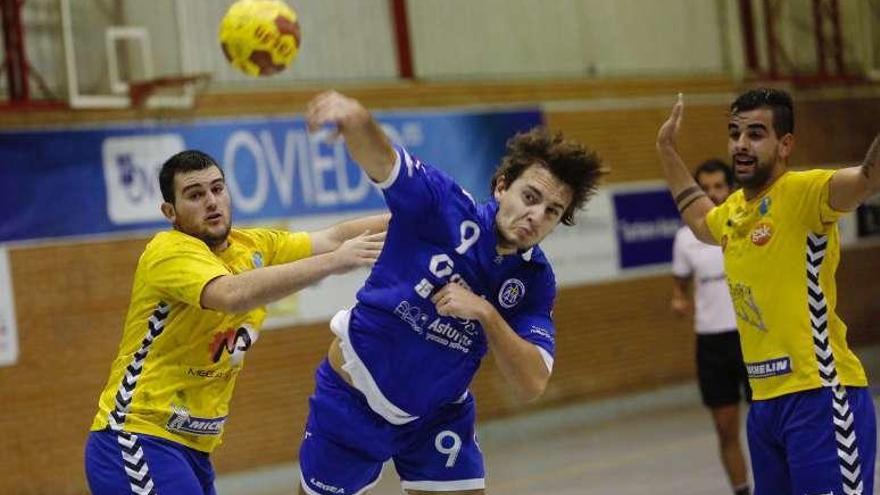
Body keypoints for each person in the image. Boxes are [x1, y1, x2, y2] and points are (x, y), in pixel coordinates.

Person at [297, 90, 604, 495]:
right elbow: (384, 161)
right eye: (530, 197)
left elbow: (532, 383)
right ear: (501, 187)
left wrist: (486, 314)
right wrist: (357, 119)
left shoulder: (535, 280)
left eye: (552, 211)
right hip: (354, 397)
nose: (536, 216)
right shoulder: (442, 206)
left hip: (437, 417)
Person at [84, 149, 389, 495]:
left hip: (193, 448)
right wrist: (335, 263)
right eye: (195, 195)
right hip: (136, 435)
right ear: (170, 212)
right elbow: (232, 294)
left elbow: (335, 237)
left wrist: (422, 212)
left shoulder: (253, 245)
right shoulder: (168, 251)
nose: (211, 202)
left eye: (217, 189)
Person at [656, 88, 879, 495]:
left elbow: (867, 179)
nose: (741, 144)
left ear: (785, 144)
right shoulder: (735, 211)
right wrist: (667, 149)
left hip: (819, 396)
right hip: (765, 405)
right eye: (735, 133)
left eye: (756, 134)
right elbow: (700, 218)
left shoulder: (807, 192)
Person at [670, 159, 752, 495]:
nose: (713, 194)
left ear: (730, 188)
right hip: (711, 343)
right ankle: (743, 490)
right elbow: (679, 284)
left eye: (719, 186)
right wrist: (677, 299)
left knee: (767, 424)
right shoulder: (685, 238)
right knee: (724, 427)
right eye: (705, 188)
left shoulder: (747, 224)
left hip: (750, 337)